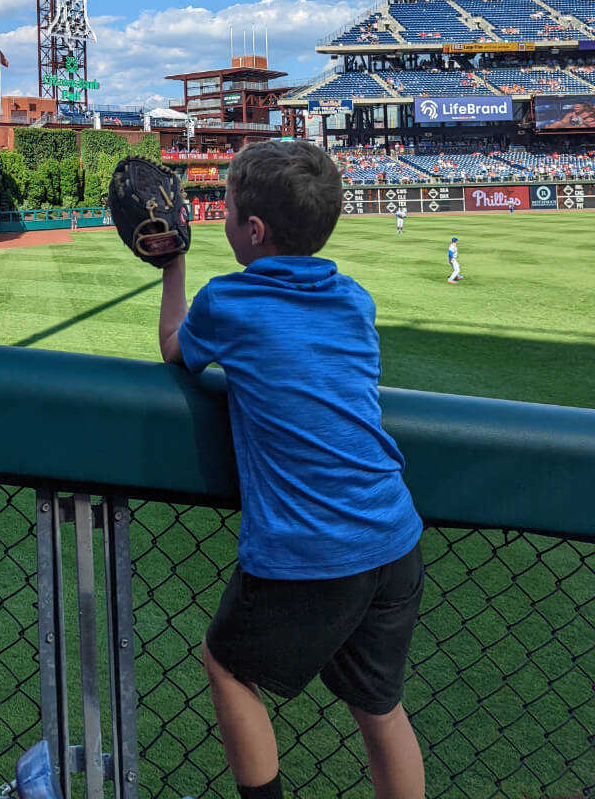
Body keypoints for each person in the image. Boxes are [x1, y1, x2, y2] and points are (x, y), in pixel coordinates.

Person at [156, 142, 425, 799]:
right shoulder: (355, 299)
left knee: (225, 664)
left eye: (230, 210)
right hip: (394, 536)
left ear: (254, 230)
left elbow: (174, 349)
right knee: (380, 707)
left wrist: (173, 264)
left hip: (311, 549)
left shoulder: (228, 301)